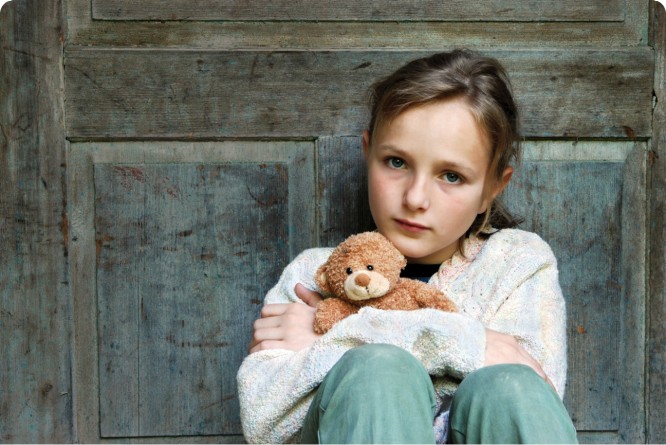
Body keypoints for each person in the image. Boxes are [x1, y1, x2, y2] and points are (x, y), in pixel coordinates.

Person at [237, 49, 578, 444]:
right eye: (396, 162)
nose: (416, 198)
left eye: (451, 176)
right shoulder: (315, 274)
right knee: (378, 372)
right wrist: (469, 344)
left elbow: (533, 385)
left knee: (510, 386)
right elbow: (266, 420)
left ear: (492, 188)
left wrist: (341, 332)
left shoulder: (519, 264)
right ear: (369, 154)